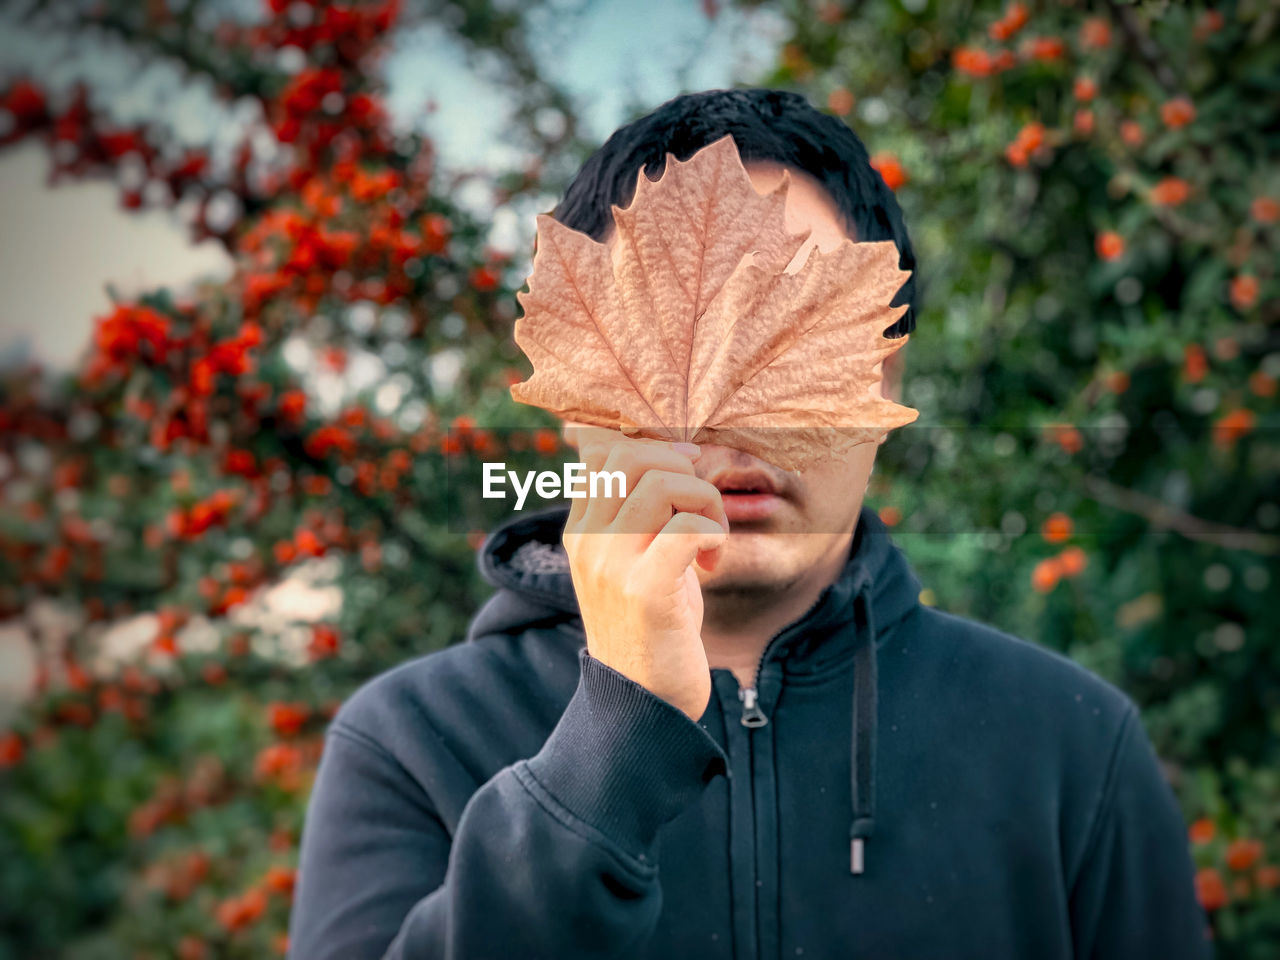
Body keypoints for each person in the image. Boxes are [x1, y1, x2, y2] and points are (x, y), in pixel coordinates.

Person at [287, 88, 1211, 960]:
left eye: (795, 342)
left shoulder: (1071, 747)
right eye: (662, 350)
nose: (731, 416)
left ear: (885, 386)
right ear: (570, 399)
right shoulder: (408, 741)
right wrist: (606, 758)